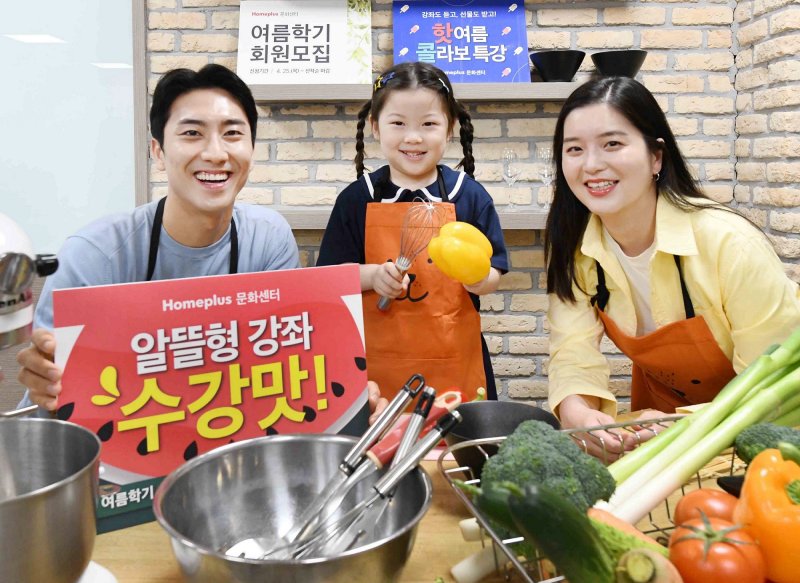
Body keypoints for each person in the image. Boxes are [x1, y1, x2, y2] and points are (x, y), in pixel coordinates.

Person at [17, 64, 387, 421]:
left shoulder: (268, 238)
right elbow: (49, 406)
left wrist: (344, 401)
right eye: (192, 133)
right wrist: (45, 385)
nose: (215, 153)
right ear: (158, 151)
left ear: (252, 149)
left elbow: (288, 367)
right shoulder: (95, 254)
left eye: (232, 133)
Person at [544, 76, 800, 456]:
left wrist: (682, 426)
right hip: (657, 426)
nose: (592, 165)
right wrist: (577, 413)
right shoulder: (576, 249)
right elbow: (572, 353)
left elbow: (771, 385)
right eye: (575, 149)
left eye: (612, 144)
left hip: (759, 433)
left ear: (656, 157)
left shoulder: (730, 244)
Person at [316, 61, 509, 402]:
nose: (413, 137)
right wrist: (374, 276)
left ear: (450, 129)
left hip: (455, 363)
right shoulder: (357, 199)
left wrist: (479, 279)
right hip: (377, 372)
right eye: (398, 123)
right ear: (375, 127)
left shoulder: (469, 196)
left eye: (429, 124)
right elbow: (330, 279)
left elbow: (495, 271)